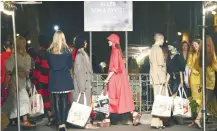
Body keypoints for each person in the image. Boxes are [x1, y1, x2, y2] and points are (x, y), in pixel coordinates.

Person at [104, 33, 140, 126]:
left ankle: (106, 119)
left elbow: (115, 67)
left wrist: (107, 78)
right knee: (121, 97)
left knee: (112, 97)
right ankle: (134, 114)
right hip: (118, 78)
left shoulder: (115, 51)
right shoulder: (116, 51)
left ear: (113, 41)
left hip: (115, 78)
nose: (108, 41)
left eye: (109, 40)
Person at [2, 36, 35, 129]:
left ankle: (10, 119)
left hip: (23, 80)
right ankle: (23, 120)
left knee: (15, 101)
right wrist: (6, 83)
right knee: (19, 100)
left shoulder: (27, 56)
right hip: (15, 80)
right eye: (23, 42)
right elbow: (8, 69)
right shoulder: (14, 56)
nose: (25, 44)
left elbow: (28, 70)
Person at [46, 31, 73, 131]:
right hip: (65, 77)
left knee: (56, 101)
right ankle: (64, 124)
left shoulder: (49, 51)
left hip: (55, 78)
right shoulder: (67, 50)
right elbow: (70, 65)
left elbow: (49, 65)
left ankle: (58, 123)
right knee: (64, 101)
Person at [26, 34, 54, 125]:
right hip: (50, 78)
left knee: (43, 98)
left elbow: (37, 68)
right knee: (49, 98)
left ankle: (49, 116)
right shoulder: (51, 52)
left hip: (41, 79)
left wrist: (34, 79)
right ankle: (51, 115)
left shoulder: (39, 53)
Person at [72, 35, 99, 129]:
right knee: (84, 104)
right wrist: (82, 87)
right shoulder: (80, 55)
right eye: (85, 42)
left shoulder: (82, 53)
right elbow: (78, 72)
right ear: (82, 43)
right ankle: (86, 123)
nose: (86, 43)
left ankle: (86, 122)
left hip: (86, 83)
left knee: (86, 104)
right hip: (83, 85)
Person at [193, 35, 217, 128]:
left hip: (203, 80)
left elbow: (195, 67)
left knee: (211, 100)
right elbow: (216, 67)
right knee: (206, 101)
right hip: (210, 81)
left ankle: (206, 117)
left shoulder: (200, 54)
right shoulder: (211, 54)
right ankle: (198, 119)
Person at [149, 33, 167, 129]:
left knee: (157, 100)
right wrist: (164, 79)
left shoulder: (152, 49)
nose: (163, 41)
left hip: (154, 77)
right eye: (163, 39)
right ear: (160, 39)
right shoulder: (159, 50)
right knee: (159, 101)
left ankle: (158, 122)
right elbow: (161, 64)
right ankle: (156, 122)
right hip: (159, 78)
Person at [166, 42, 185, 125]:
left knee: (175, 97)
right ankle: (172, 116)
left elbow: (181, 70)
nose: (169, 47)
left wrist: (181, 81)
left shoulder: (178, 56)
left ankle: (177, 116)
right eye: (168, 46)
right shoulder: (168, 57)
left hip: (177, 78)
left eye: (170, 46)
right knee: (171, 98)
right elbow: (168, 71)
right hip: (171, 79)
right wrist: (166, 81)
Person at [187, 39, 202, 127]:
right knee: (195, 98)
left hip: (201, 78)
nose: (195, 46)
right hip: (193, 77)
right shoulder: (191, 54)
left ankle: (199, 117)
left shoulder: (203, 54)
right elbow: (189, 68)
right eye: (194, 45)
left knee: (201, 98)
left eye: (196, 45)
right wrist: (188, 80)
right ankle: (196, 118)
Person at [1, 41, 13, 106]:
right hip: (14, 80)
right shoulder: (15, 56)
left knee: (5, 99)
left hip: (3, 80)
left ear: (4, 47)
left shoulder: (1, 56)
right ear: (12, 46)